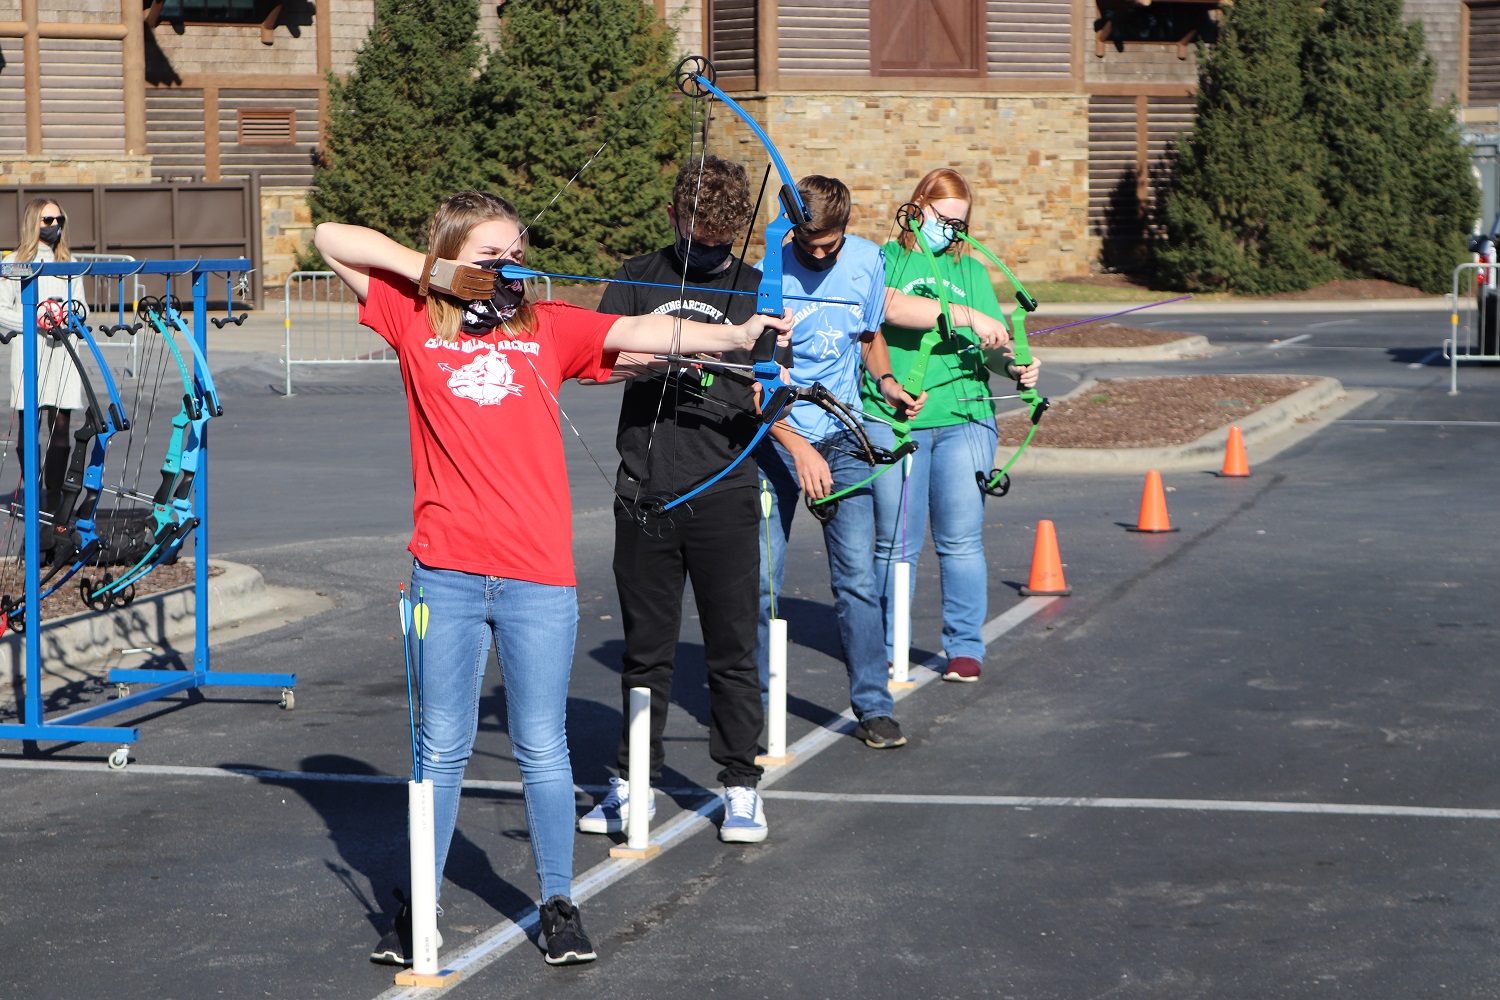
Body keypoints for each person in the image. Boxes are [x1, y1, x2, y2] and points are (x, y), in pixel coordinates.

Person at [312, 191, 790, 968]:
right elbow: (331, 237)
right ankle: (420, 906)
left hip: (536, 576)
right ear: (452, 255)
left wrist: (736, 335)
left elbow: (642, 330)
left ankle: (559, 902)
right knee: (440, 747)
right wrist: (440, 275)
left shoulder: (546, 325)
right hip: (445, 573)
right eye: (490, 257)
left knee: (541, 745)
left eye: (516, 256)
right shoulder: (410, 316)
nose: (508, 270)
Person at [755, 175, 1012, 749]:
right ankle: (756, 710)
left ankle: (873, 706)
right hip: (779, 441)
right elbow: (757, 380)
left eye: (830, 245)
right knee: (763, 584)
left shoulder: (867, 261)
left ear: (847, 230)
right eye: (807, 245)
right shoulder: (766, 272)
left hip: (844, 437)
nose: (819, 255)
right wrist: (798, 447)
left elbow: (870, 335)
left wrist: (889, 383)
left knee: (856, 579)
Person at [580, 155, 769, 843]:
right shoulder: (638, 276)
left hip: (725, 488)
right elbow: (598, 363)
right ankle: (634, 782)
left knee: (731, 648)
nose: (708, 252)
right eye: (696, 238)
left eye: (721, 242)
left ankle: (741, 784)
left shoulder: (756, 288)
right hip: (646, 489)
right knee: (646, 650)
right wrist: (668, 358)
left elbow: (773, 380)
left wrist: (768, 384)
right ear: (672, 218)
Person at [864, 169, 1041, 684]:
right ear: (917, 206)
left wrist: (1016, 367)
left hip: (966, 419)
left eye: (960, 224)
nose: (951, 231)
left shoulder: (972, 271)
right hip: (897, 419)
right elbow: (888, 308)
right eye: (943, 218)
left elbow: (993, 350)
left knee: (961, 540)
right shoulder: (884, 259)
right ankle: (886, 645)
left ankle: (964, 646)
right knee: (894, 544)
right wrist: (964, 315)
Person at [0, 198, 82, 514]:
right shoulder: (15, 262)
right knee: (29, 421)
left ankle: (55, 496)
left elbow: (81, 307)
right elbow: (2, 309)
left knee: (61, 424)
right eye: (48, 220)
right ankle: (33, 491)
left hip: (64, 350)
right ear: (34, 222)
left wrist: (68, 317)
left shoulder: (70, 262)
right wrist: (35, 320)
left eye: (59, 219)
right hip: (30, 349)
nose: (54, 225)